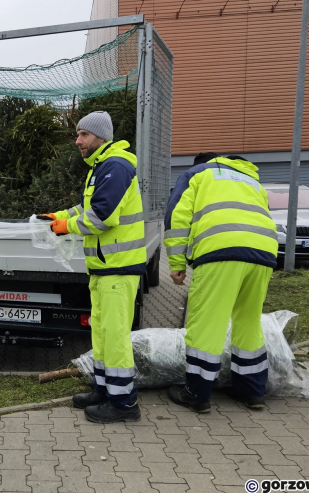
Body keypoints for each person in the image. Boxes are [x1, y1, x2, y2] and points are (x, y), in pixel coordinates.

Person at [43, 111, 146, 423]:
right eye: (78, 134)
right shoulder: (103, 167)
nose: (78, 141)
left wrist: (65, 227)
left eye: (83, 135)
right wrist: (58, 216)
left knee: (114, 337)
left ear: (100, 137)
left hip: (118, 268)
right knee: (102, 334)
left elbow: (101, 217)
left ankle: (124, 403)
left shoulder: (115, 165)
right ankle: (105, 390)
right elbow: (86, 207)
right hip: (105, 269)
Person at [163, 153, 278, 413]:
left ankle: (197, 394)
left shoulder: (197, 174)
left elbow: (177, 217)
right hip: (264, 253)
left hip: (220, 251)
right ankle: (252, 392)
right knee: (248, 321)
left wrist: (177, 264)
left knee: (207, 323)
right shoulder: (251, 181)